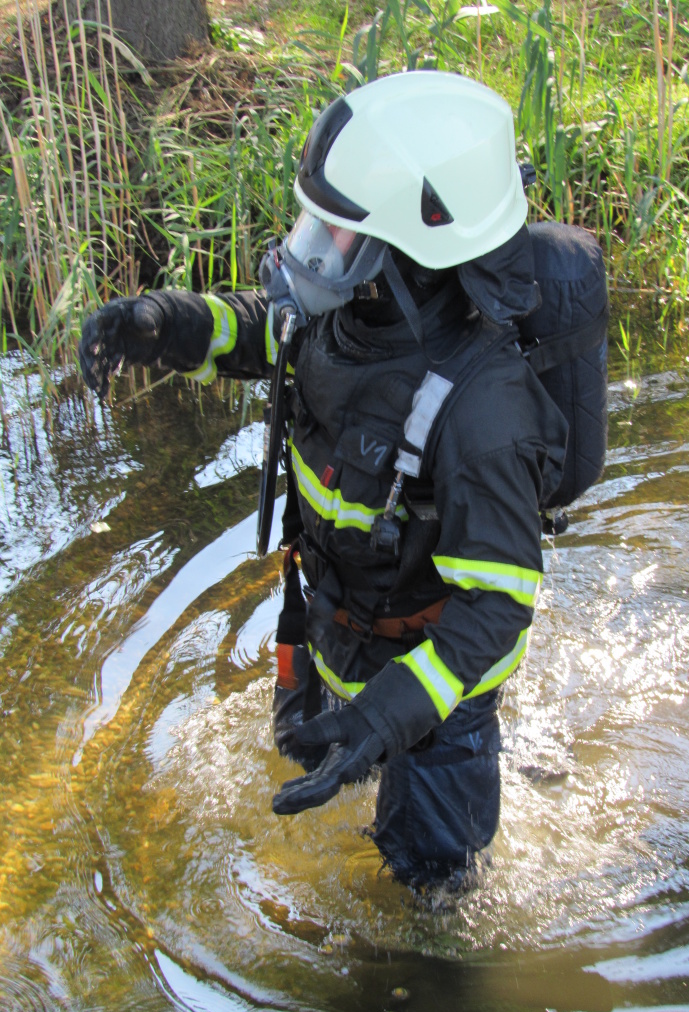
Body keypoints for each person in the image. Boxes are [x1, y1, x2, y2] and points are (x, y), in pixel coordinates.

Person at [79, 71, 587, 891]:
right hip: (333, 624)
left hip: (433, 697)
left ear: (414, 253)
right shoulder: (350, 308)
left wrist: (387, 720)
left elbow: (495, 609)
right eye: (317, 223)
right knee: (303, 761)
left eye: (338, 232)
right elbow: (265, 331)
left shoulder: (486, 412)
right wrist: (161, 324)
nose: (310, 249)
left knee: (429, 892)